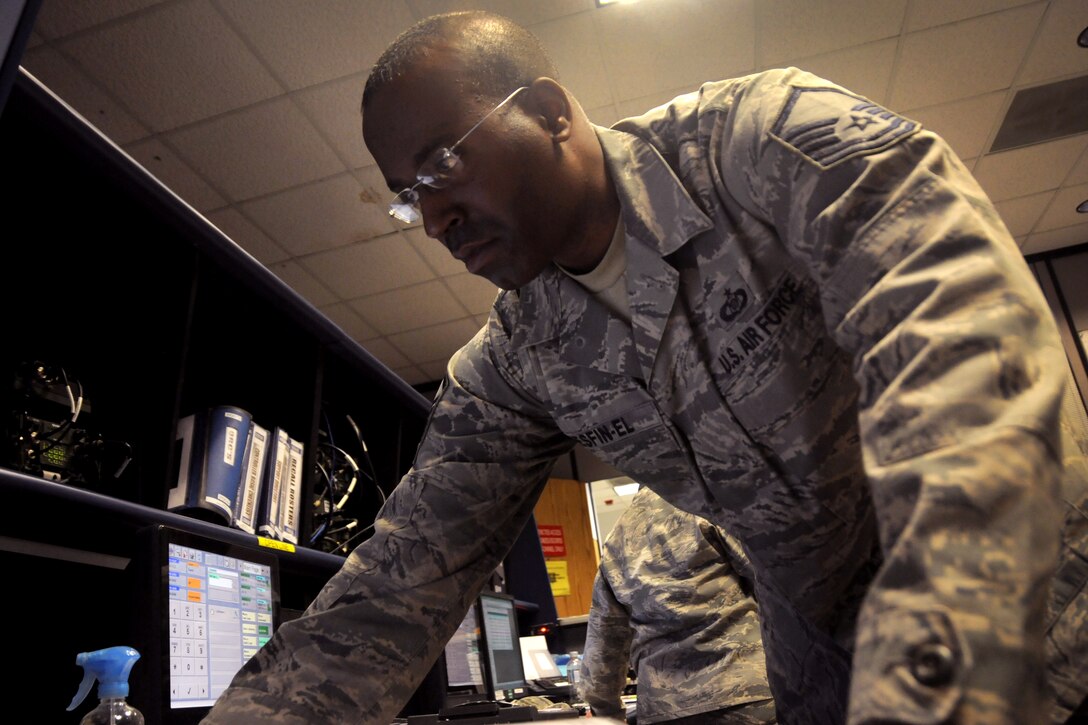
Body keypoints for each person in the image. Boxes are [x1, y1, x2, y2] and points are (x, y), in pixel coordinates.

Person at [203, 10, 1088, 724]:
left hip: (1031, 617)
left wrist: (931, 675)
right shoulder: (515, 357)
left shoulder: (762, 141)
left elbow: (967, 365)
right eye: (409, 194)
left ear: (550, 110)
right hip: (825, 665)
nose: (434, 220)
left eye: (443, 164)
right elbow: (398, 583)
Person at [581, 486, 775, 724]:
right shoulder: (708, 507)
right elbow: (776, 585)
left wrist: (606, 710)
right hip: (743, 692)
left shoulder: (616, 540)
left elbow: (603, 645)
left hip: (663, 708)